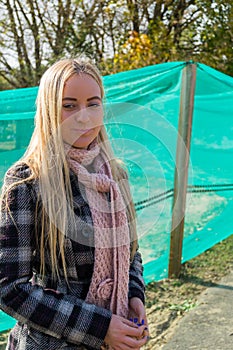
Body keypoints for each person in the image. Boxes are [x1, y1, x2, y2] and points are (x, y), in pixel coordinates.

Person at [0, 57, 149, 350]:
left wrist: (134, 295)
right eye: (69, 105)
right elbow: (8, 287)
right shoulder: (27, 181)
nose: (85, 116)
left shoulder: (114, 174)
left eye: (93, 103)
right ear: (49, 111)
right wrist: (101, 327)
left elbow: (130, 250)